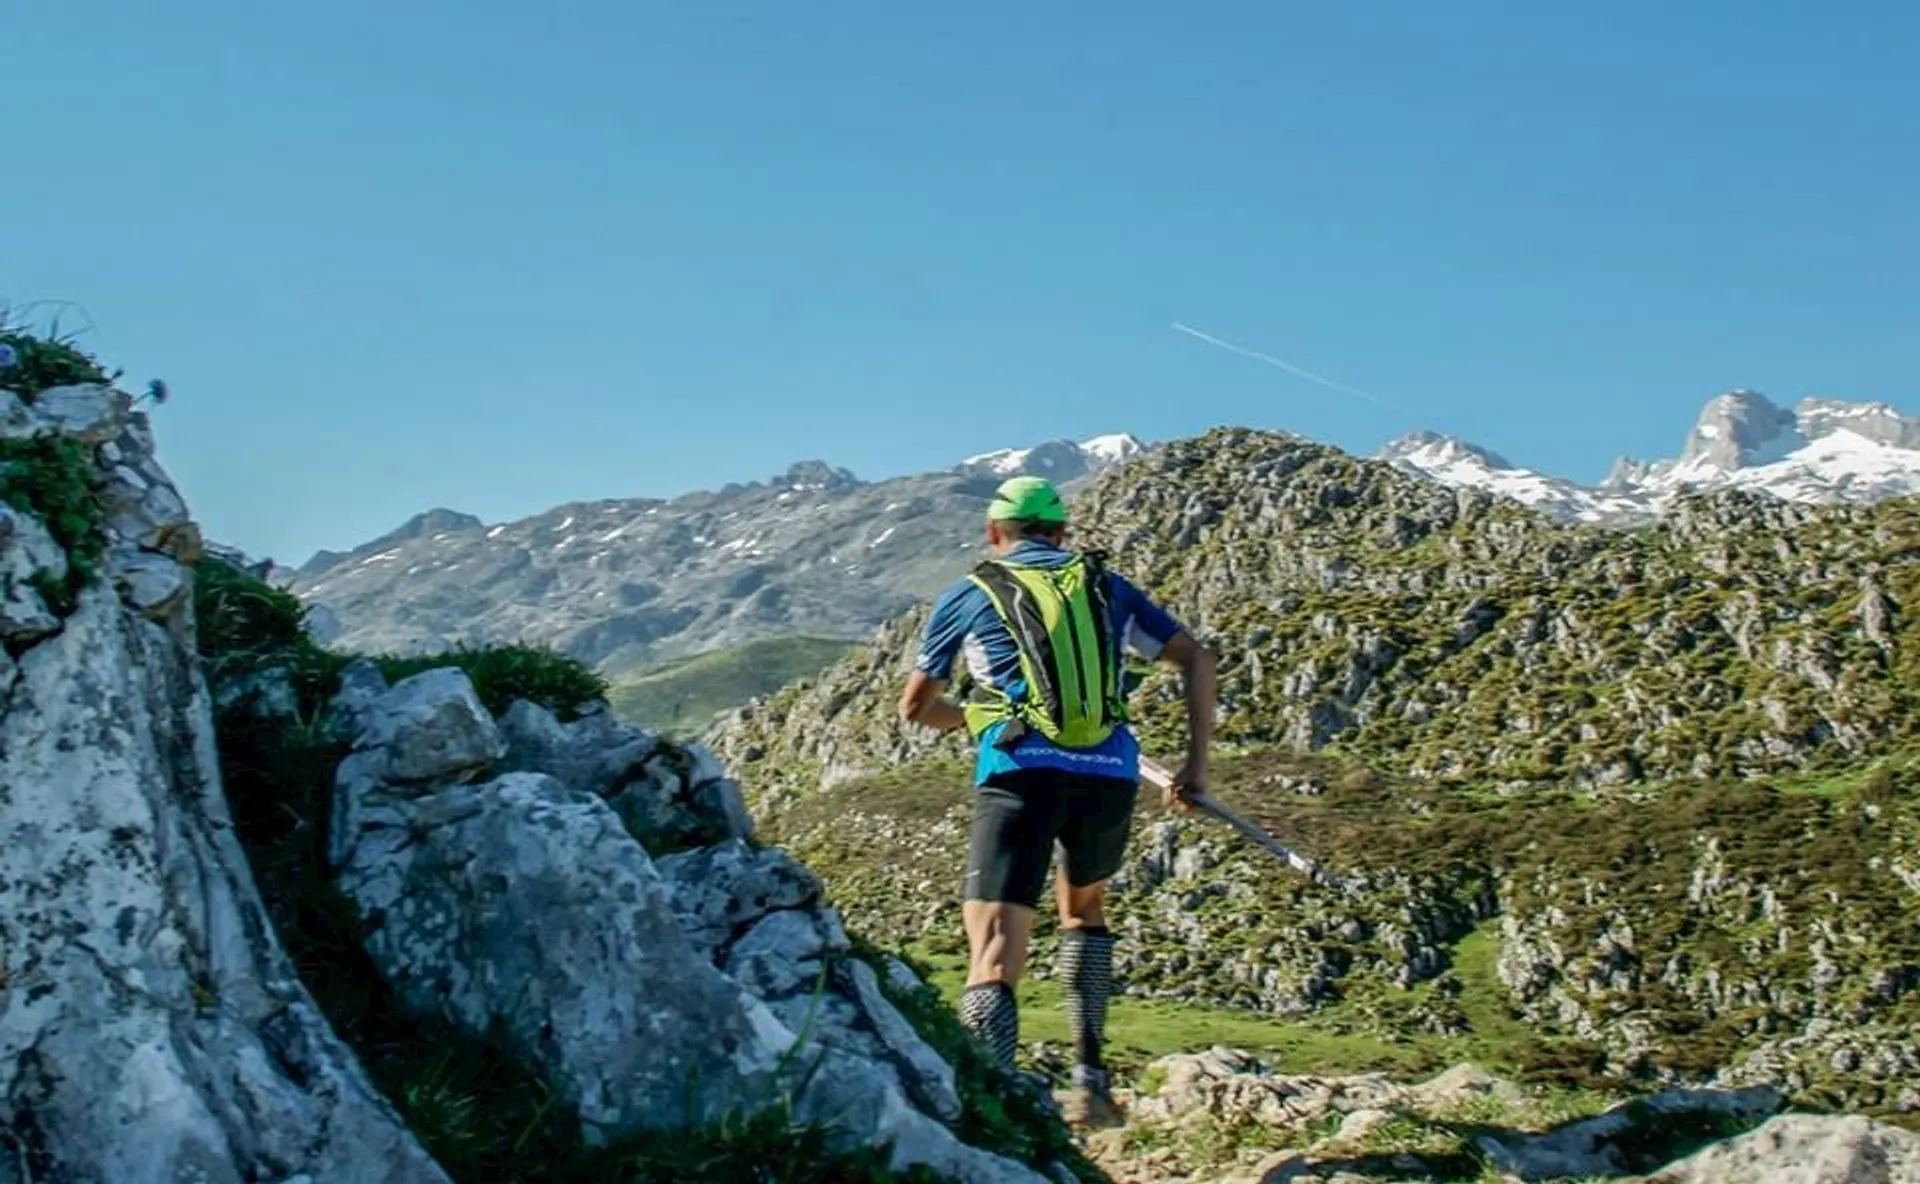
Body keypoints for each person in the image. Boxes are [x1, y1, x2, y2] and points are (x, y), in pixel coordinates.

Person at [897, 475, 1219, 1128]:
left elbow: (917, 707)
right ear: (1062, 533)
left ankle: (991, 1119)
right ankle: (1092, 1080)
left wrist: (983, 714)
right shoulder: (1109, 588)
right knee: (1085, 912)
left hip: (1020, 771)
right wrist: (1193, 768)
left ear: (995, 533)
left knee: (994, 951)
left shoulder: (970, 592)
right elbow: (1197, 659)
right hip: (1109, 773)